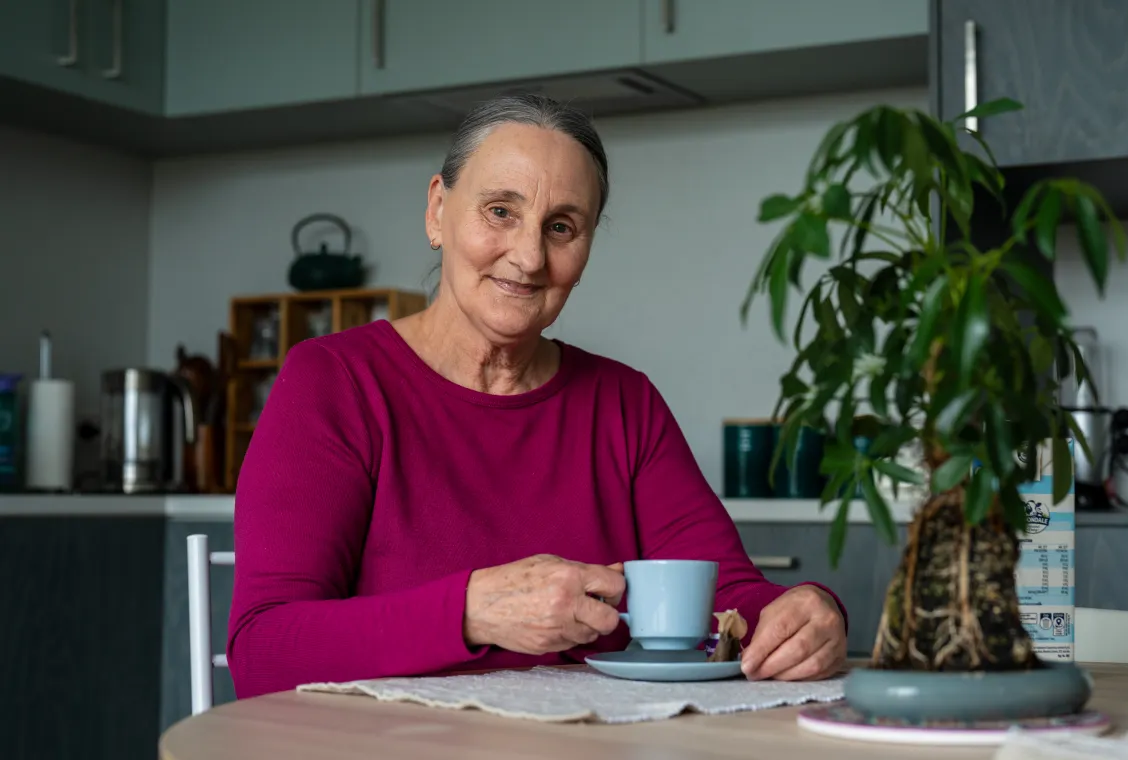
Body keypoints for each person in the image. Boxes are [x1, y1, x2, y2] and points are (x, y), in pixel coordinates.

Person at [225, 94, 848, 699]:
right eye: (500, 211)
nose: (527, 258)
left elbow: (729, 599)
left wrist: (813, 614)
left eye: (562, 227)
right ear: (438, 210)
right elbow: (263, 651)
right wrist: (469, 612)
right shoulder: (333, 381)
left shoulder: (625, 403)